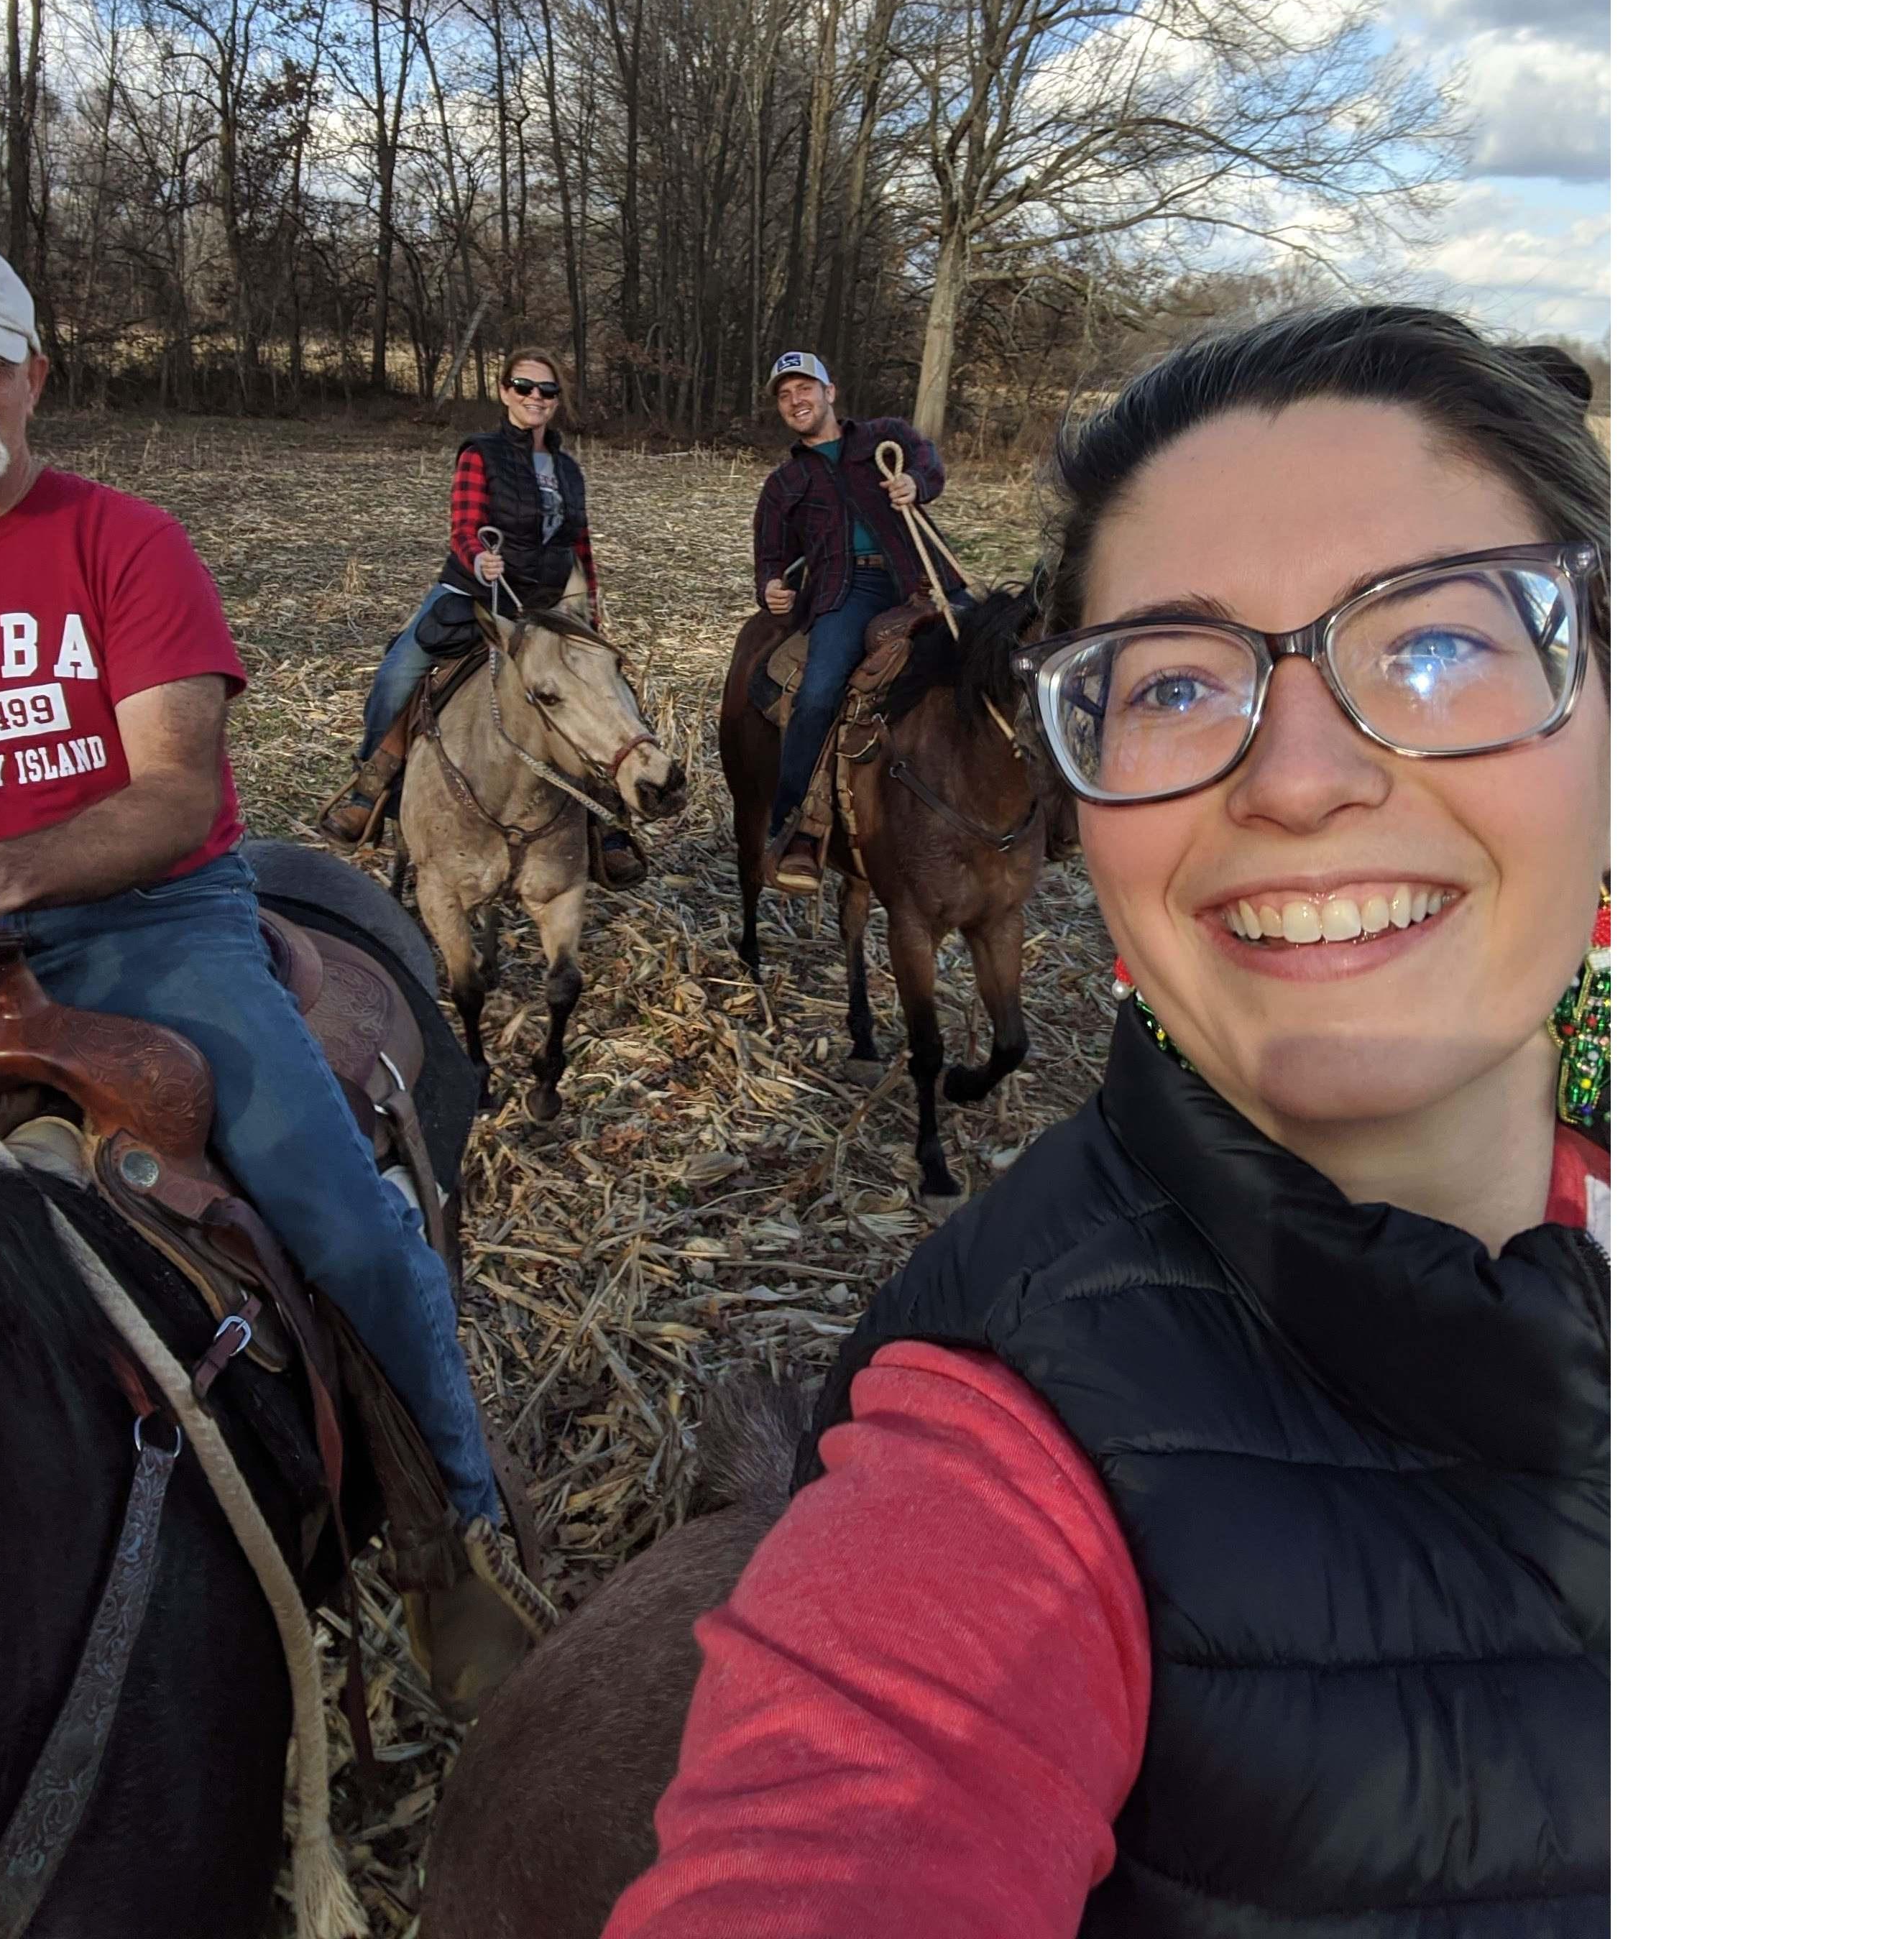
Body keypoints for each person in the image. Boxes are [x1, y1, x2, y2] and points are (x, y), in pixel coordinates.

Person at [607, 305, 1611, 1935]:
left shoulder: (881, 456)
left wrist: (903, 485)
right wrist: (805, 579)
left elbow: (919, 484)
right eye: (1171, 681)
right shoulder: (1001, 1442)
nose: (1296, 779)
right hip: (851, 609)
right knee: (807, 695)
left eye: (1436, 642)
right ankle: (792, 817)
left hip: (924, 599)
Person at [0, 231, 543, 1700]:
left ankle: (454, 1539)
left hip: (150, 922)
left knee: (343, 1217)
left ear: (36, 378)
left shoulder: (124, 543)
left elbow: (173, 789)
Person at [322, 348, 643, 884]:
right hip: (474, 593)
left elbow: (579, 544)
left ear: (557, 400)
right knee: (399, 671)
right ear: (504, 392)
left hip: (545, 609)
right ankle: (370, 787)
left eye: (546, 391)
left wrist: (591, 614)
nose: (535, 398)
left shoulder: (568, 469)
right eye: (524, 387)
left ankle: (609, 821)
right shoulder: (481, 454)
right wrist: (480, 558)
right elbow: (464, 528)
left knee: (608, 692)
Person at [749, 349, 962, 893]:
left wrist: (916, 484)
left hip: (920, 575)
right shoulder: (784, 483)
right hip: (849, 590)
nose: (796, 400)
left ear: (830, 392)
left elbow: (928, 462)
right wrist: (771, 589)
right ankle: (794, 825)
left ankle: (1041, 804)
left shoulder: (883, 438)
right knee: (818, 693)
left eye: (805, 388)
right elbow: (770, 561)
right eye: (785, 394)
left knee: (995, 656)